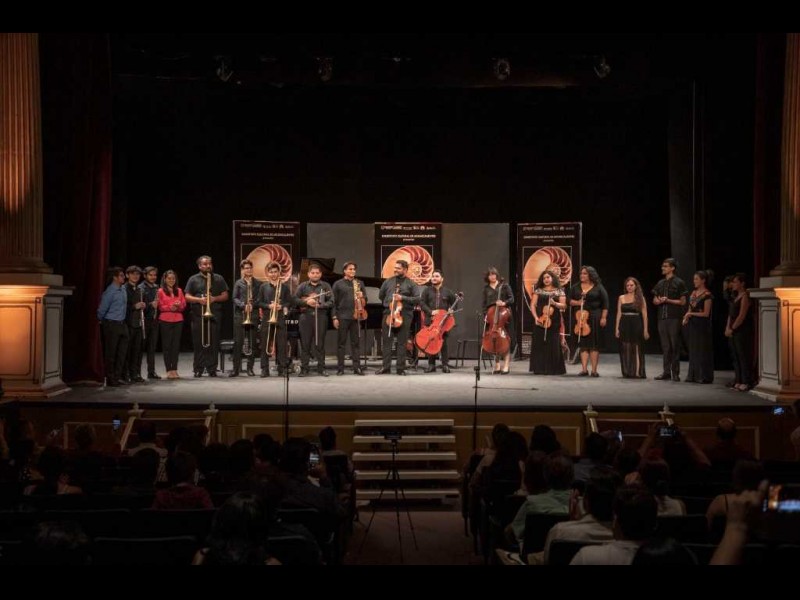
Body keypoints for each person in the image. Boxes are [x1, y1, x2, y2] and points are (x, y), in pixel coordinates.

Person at [184, 255, 229, 378]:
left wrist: (214, 298)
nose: (208, 266)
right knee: (198, 343)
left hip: (214, 314)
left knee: (213, 343)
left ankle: (212, 368)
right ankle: (198, 368)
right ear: (199, 266)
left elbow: (225, 295)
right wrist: (199, 300)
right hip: (198, 315)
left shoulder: (218, 278)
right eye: (205, 264)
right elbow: (187, 296)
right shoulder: (193, 279)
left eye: (209, 263)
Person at [376, 260, 419, 375]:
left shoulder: (411, 284)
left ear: (405, 270)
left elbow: (417, 299)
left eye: (398, 268)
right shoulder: (387, 281)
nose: (395, 270)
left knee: (402, 342)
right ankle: (385, 367)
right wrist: (390, 304)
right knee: (387, 342)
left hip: (404, 314)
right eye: (395, 267)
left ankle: (400, 368)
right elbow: (381, 295)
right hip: (389, 313)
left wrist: (402, 298)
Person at [652, 258, 688, 382]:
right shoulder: (660, 283)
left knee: (674, 346)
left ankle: (675, 373)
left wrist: (668, 300)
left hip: (674, 318)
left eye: (666, 266)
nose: (663, 268)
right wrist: (658, 301)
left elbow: (683, 302)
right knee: (665, 346)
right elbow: (654, 300)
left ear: (672, 268)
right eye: (663, 266)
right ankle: (666, 372)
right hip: (662, 318)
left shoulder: (679, 282)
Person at [569, 266, 609, 377]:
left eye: (585, 273)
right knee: (583, 345)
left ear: (591, 275)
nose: (582, 275)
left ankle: (594, 371)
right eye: (581, 273)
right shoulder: (575, 287)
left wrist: (604, 317)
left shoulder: (598, 287)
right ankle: (584, 370)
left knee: (594, 345)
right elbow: (569, 300)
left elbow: (605, 304)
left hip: (595, 317)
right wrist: (578, 302)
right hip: (580, 318)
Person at [295, 263, 333, 377]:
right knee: (305, 344)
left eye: (317, 273)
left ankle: (321, 368)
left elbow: (332, 301)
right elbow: (295, 300)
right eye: (313, 273)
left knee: (320, 344)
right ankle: (304, 369)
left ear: (320, 274)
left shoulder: (325, 286)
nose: (315, 275)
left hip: (321, 316)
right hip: (305, 317)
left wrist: (320, 305)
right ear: (308, 274)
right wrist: (307, 302)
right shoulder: (302, 286)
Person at [256, 261, 293, 377]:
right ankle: (264, 369)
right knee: (265, 345)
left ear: (279, 272)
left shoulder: (285, 287)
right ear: (268, 273)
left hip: (280, 318)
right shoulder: (263, 287)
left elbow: (289, 302)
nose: (273, 274)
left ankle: (282, 368)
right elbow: (258, 302)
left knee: (281, 344)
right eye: (271, 272)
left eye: (275, 272)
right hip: (267, 318)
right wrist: (269, 306)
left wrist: (281, 306)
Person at [420, 269, 458, 373]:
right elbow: (422, 303)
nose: (434, 278)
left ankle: (445, 365)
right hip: (430, 320)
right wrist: (431, 312)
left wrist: (451, 310)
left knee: (443, 342)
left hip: (443, 322)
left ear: (442, 279)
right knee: (431, 342)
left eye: (436, 276)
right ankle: (431, 365)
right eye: (433, 276)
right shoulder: (426, 291)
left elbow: (455, 303)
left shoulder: (448, 291)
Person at [97, 266, 129, 387]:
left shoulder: (123, 289)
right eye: (121, 275)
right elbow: (101, 310)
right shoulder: (110, 291)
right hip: (111, 324)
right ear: (115, 277)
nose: (124, 277)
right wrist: (103, 321)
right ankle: (110, 379)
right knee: (111, 353)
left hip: (122, 324)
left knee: (122, 353)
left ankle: (117, 376)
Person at [332, 261, 366, 375]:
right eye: (350, 269)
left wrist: (362, 296)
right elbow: (333, 302)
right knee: (341, 344)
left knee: (356, 343)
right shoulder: (338, 284)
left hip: (356, 317)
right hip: (342, 316)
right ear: (344, 271)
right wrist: (334, 317)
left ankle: (357, 367)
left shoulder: (359, 283)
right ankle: (340, 368)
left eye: (354, 269)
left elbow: (365, 300)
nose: (353, 271)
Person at [530, 270, 567, 375]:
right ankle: (539, 368)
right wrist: (536, 317)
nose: (546, 280)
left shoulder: (559, 291)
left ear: (552, 278)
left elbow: (564, 306)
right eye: (544, 278)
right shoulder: (538, 290)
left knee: (553, 343)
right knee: (539, 343)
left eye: (548, 277)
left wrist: (555, 303)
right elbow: (533, 305)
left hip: (554, 320)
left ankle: (553, 368)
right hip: (541, 319)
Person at [230, 259, 261, 377]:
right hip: (240, 315)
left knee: (252, 342)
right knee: (238, 342)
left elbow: (260, 298)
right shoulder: (238, 283)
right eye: (246, 268)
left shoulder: (258, 283)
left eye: (250, 268)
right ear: (242, 270)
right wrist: (243, 305)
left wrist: (253, 305)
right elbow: (234, 298)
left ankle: (250, 368)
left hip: (253, 314)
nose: (248, 270)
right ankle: (235, 369)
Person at [482, 267, 515, 374]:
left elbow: (512, 299)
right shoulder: (486, 289)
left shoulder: (504, 286)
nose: (492, 276)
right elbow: (484, 304)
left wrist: (504, 303)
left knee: (506, 340)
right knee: (494, 340)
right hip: (491, 316)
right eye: (490, 275)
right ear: (487, 277)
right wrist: (485, 315)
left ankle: (506, 365)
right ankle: (497, 365)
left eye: (494, 274)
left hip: (504, 315)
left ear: (497, 275)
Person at [684, 269, 715, 384]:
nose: (694, 281)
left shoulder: (707, 295)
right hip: (693, 324)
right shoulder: (693, 293)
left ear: (703, 280)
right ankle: (693, 375)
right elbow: (690, 309)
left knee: (702, 350)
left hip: (702, 325)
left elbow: (706, 313)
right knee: (693, 350)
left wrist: (690, 314)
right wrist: (686, 317)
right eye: (694, 279)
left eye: (696, 279)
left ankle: (703, 376)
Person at [615, 277, 649, 378]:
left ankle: (637, 371)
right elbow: (618, 314)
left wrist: (645, 330)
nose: (629, 287)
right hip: (624, 324)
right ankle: (628, 371)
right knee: (626, 347)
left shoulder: (640, 298)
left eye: (631, 285)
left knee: (636, 347)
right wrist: (616, 328)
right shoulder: (621, 297)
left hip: (636, 323)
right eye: (627, 285)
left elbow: (645, 315)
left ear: (636, 286)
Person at [726, 273, 754, 391]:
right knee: (735, 356)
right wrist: (727, 328)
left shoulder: (745, 296)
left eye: (735, 282)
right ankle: (738, 380)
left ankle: (746, 381)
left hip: (741, 330)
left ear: (742, 284)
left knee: (743, 355)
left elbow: (741, 316)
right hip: (732, 329)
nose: (733, 284)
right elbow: (730, 315)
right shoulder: (735, 296)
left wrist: (732, 328)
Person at [157, 270, 186, 379]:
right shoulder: (160, 291)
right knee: (167, 346)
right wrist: (171, 307)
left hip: (178, 320)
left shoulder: (179, 290)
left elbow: (183, 304)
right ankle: (168, 370)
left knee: (175, 346)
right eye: (169, 278)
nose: (171, 280)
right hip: (165, 320)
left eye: (173, 278)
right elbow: (160, 306)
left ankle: (174, 369)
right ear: (165, 279)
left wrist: (178, 306)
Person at [124, 265, 147, 383]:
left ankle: (135, 374)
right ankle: (126, 374)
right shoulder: (124, 289)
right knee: (127, 351)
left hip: (138, 324)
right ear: (127, 275)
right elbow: (122, 307)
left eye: (137, 274)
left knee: (137, 351)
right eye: (133, 274)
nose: (135, 276)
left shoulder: (139, 289)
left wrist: (144, 305)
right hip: (128, 324)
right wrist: (134, 306)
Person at [139, 266, 161, 379]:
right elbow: (140, 305)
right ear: (145, 276)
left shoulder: (157, 287)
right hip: (143, 321)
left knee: (152, 348)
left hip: (154, 320)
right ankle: (136, 373)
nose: (153, 277)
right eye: (150, 275)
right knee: (139, 348)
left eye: (154, 275)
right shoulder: (141, 288)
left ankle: (151, 372)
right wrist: (150, 305)